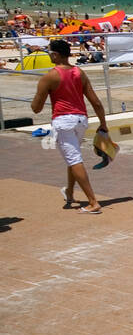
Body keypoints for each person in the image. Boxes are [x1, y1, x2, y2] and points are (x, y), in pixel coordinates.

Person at [30, 38, 109, 214]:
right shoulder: (79, 72)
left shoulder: (50, 76)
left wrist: (40, 95)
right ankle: (70, 192)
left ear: (56, 55)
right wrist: (103, 123)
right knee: (72, 157)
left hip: (63, 121)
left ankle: (93, 202)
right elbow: (95, 102)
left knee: (74, 159)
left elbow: (36, 108)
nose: (49, 55)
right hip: (81, 120)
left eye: (50, 52)